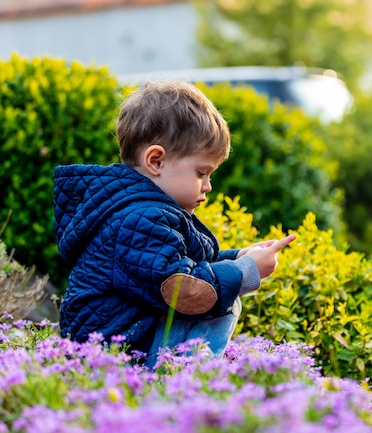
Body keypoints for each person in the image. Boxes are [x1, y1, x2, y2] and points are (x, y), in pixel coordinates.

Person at [53, 80, 295, 369]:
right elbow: (182, 288)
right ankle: (185, 381)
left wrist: (239, 257)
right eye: (201, 172)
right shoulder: (140, 219)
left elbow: (184, 264)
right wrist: (246, 272)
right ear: (156, 161)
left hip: (123, 341)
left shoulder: (142, 209)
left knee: (223, 289)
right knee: (222, 303)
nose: (208, 186)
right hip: (115, 357)